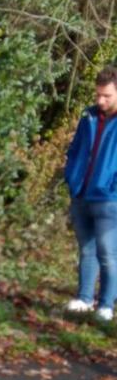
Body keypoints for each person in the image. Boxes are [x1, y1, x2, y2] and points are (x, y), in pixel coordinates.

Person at [64, 65, 117, 322]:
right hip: (81, 194)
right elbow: (75, 150)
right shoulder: (88, 116)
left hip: (109, 199)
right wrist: (72, 178)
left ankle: (106, 305)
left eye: (106, 95)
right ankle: (85, 299)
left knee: (108, 253)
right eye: (98, 94)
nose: (100, 100)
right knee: (87, 250)